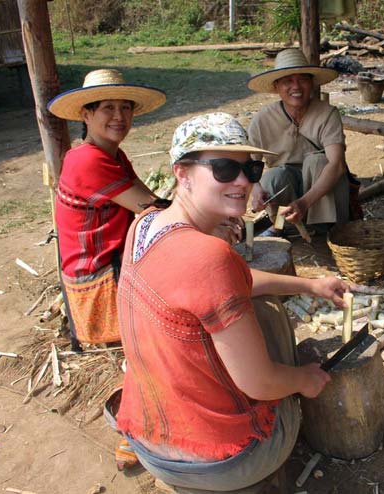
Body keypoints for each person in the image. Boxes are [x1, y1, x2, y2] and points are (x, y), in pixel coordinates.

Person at [115, 113, 349, 492]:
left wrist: (311, 285)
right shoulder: (209, 255)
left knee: (257, 307)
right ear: (182, 173)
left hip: (150, 438)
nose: (242, 181)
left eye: (251, 168)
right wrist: (305, 380)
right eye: (224, 168)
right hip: (218, 460)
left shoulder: (145, 224)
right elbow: (259, 382)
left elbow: (231, 283)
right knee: (271, 318)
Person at [48, 68, 166, 345]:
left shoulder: (113, 154)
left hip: (114, 260)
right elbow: (152, 210)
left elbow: (151, 200)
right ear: (86, 114)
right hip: (99, 275)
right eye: (108, 108)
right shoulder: (86, 160)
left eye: (125, 108)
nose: (119, 117)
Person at [247, 48, 352, 235]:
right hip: (288, 188)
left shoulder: (327, 114)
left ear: (311, 84)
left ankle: (325, 229)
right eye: (288, 81)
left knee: (317, 161)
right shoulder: (262, 120)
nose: (296, 87)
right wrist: (255, 189)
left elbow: (337, 165)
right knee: (273, 177)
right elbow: (250, 166)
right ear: (276, 86)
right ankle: (280, 226)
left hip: (323, 189)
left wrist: (304, 203)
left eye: (302, 79)